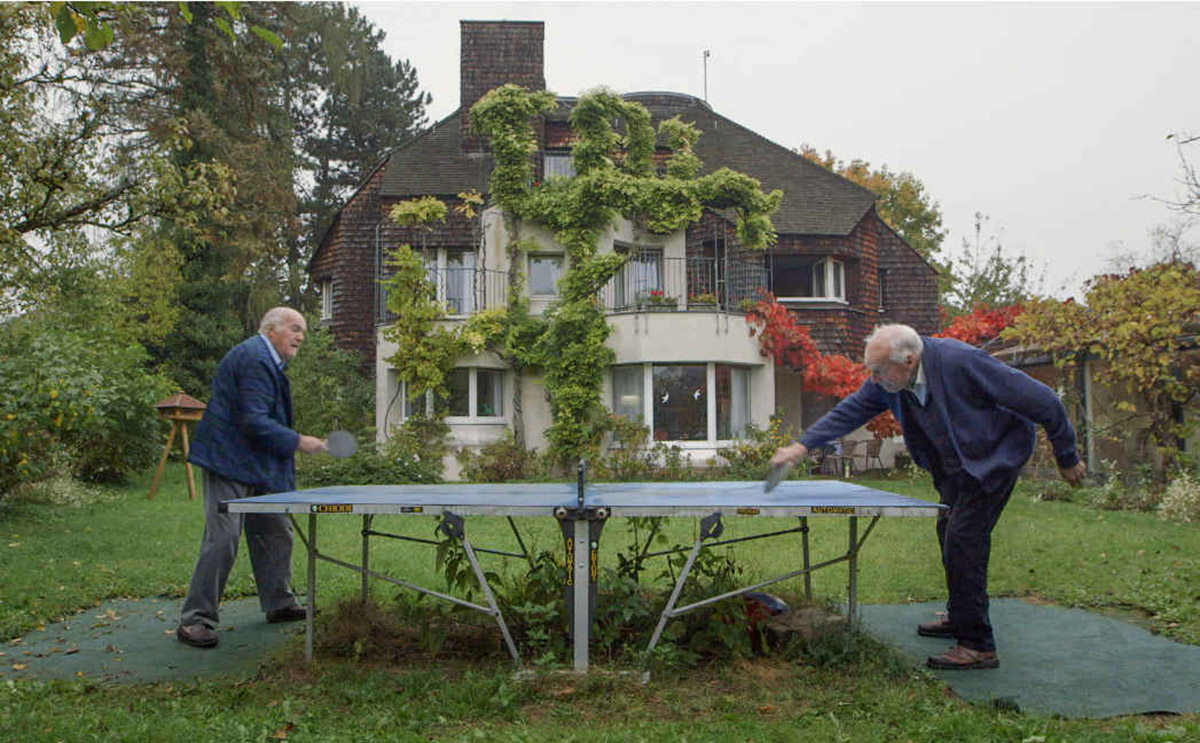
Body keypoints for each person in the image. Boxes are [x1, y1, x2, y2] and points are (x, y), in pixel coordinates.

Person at [772, 324, 1086, 670]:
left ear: (909, 361)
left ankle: (977, 645)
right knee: (947, 531)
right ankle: (960, 617)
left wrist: (1067, 456)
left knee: (964, 540)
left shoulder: (962, 362)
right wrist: (801, 446)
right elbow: (852, 409)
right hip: (954, 465)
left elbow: (1043, 400)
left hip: (994, 457)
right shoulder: (890, 381)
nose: (873, 379)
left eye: (878, 371)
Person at [176, 307, 328, 649]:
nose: (301, 336)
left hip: (256, 464)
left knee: (275, 529)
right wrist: (299, 442)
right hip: (228, 461)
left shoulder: (269, 362)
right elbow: (254, 421)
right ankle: (195, 620)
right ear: (271, 329)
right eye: (294, 328)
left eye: (303, 330)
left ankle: (279, 602)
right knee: (224, 539)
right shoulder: (254, 358)